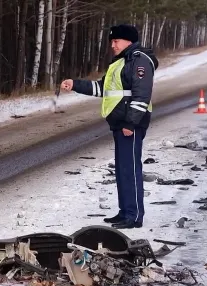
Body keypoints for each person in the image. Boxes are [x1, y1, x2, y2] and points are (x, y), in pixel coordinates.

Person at [60, 24, 158, 229]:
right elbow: (102, 88)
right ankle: (124, 212)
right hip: (120, 123)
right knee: (123, 170)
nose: (112, 45)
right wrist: (75, 84)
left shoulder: (138, 61)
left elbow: (142, 95)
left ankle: (134, 215)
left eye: (116, 41)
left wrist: (131, 123)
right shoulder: (121, 62)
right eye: (111, 42)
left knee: (130, 169)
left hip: (130, 124)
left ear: (128, 41)